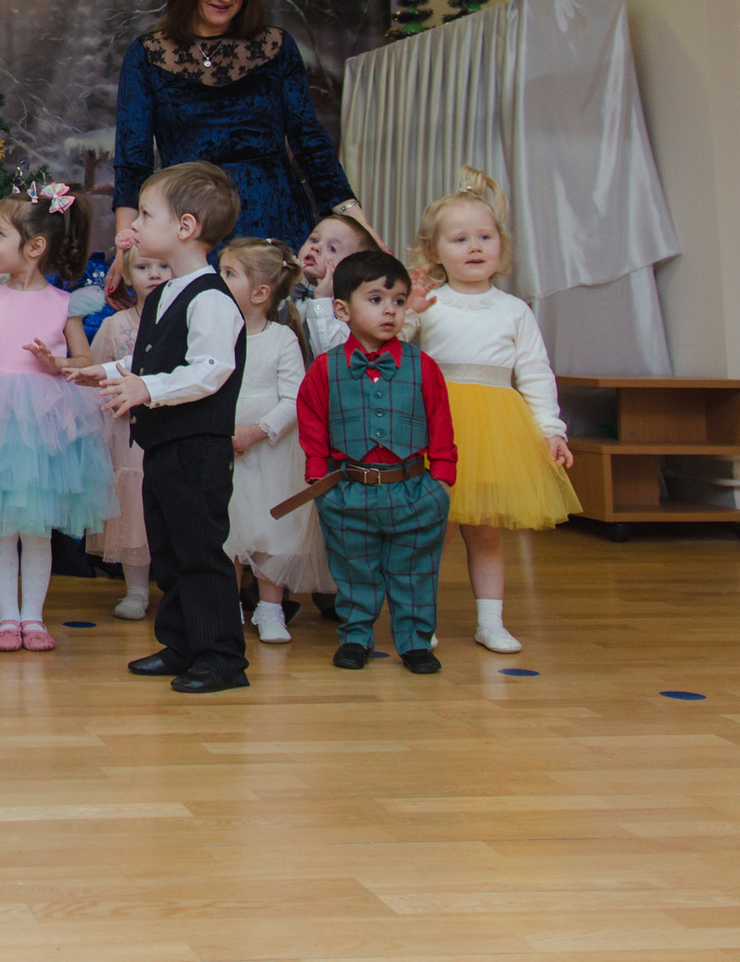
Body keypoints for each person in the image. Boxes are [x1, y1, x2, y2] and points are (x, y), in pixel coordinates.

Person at [65, 162, 249, 694]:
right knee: (168, 549)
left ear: (185, 227)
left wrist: (148, 390)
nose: (135, 224)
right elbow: (148, 365)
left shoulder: (211, 297)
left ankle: (221, 660)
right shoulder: (167, 293)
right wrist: (95, 372)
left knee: (199, 550)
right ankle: (182, 643)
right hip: (164, 446)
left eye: (146, 214)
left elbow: (210, 370)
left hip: (197, 449)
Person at [0, 185, 114, 652]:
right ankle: (6, 618)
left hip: (44, 428)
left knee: (35, 529)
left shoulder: (64, 304)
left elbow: (86, 362)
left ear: (34, 247)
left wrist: (58, 366)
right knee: (1, 527)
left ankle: (33, 617)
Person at [402, 170, 579, 654]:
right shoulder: (429, 304)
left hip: (498, 432)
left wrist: (550, 430)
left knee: (487, 534)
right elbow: (390, 349)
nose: (475, 247)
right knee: (432, 533)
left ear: (501, 246)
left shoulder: (515, 310)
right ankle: (420, 620)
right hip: (439, 428)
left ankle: (491, 621)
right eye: (460, 239)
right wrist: (409, 311)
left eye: (485, 237)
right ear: (435, 251)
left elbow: (537, 375)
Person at [111, 0, 354, 256]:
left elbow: (311, 143)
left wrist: (357, 222)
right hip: (189, 228)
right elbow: (133, 163)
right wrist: (125, 247)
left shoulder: (277, 47)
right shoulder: (146, 56)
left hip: (276, 225)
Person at [290, 250, 457, 673]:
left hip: (413, 489)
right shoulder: (326, 369)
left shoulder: (425, 367)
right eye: (377, 299)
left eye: (399, 301)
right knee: (353, 571)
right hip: (348, 490)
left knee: (415, 571)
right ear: (343, 309)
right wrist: (318, 476)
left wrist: (442, 480)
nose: (390, 311)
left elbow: (441, 421)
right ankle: (356, 637)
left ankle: (416, 642)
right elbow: (311, 422)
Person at [217, 238, 327, 644]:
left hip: (271, 453)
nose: (218, 279)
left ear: (261, 293)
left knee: (270, 533)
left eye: (229, 274)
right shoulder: (216, 335)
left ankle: (270, 609)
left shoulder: (281, 339)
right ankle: (227, 608)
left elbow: (294, 399)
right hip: (224, 450)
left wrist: (255, 432)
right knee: (227, 531)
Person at [75, 246, 168, 620]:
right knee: (132, 509)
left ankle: (174, 587)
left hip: (167, 426)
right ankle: (136, 589)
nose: (155, 273)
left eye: (164, 265)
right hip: (126, 433)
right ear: (128, 277)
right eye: (144, 267)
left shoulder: (184, 322)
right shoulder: (116, 325)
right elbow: (96, 375)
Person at [294, 202, 383, 357]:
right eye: (314, 240)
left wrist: (322, 300)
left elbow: (331, 358)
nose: (316, 247)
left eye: (332, 248)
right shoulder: (289, 289)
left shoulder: (347, 311)